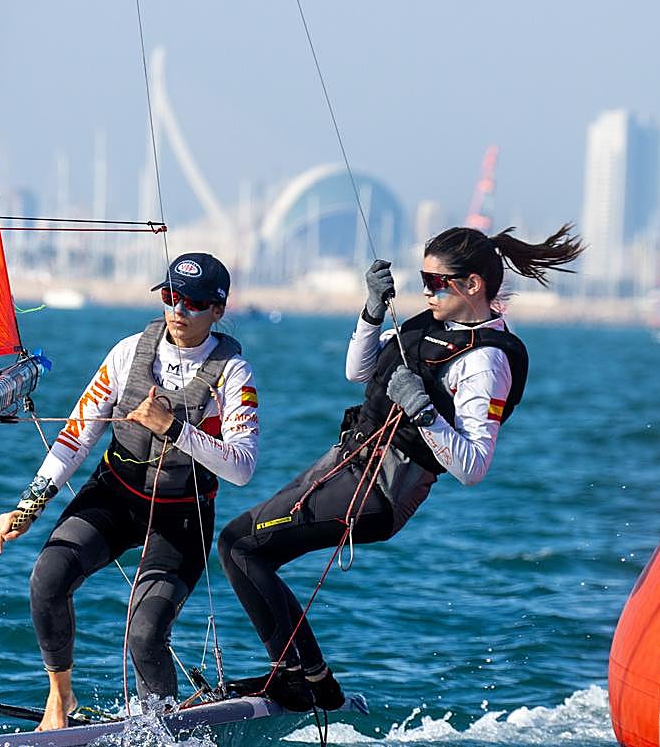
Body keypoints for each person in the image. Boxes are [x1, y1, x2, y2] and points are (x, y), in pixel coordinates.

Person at [218, 224, 584, 712]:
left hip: (384, 491)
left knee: (241, 546)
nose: (426, 291)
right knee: (246, 550)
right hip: (345, 464)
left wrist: (424, 411)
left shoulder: (487, 360)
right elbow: (357, 372)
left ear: (472, 285)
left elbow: (473, 467)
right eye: (422, 279)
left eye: (436, 282)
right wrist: (371, 311)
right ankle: (312, 682)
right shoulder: (428, 322)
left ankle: (301, 680)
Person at [0, 252, 260, 730]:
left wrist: (173, 428)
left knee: (144, 634)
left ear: (218, 310)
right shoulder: (129, 351)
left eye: (194, 302)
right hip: (116, 496)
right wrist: (28, 504)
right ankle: (61, 699)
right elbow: (77, 434)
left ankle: (162, 730)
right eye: (171, 296)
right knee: (47, 578)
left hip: (181, 515)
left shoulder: (233, 374)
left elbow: (242, 468)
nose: (178, 310)